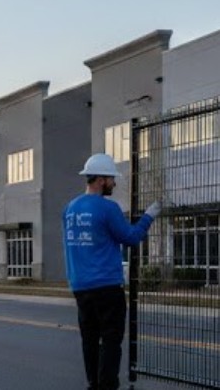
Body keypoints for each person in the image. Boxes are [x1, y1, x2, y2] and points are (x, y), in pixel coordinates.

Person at [63, 152, 161, 390]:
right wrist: (149, 216)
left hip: (80, 287)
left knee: (89, 340)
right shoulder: (108, 208)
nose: (114, 184)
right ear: (100, 180)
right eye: (112, 179)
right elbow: (131, 237)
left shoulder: (69, 208)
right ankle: (107, 386)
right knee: (110, 340)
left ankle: (93, 384)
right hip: (107, 287)